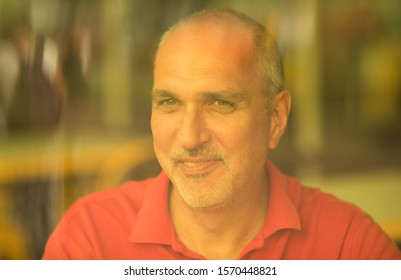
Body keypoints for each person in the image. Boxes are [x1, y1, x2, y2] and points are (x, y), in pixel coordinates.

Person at [42, 8, 401, 260]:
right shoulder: (89, 242)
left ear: (275, 118)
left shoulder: (346, 247)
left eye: (219, 104)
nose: (189, 137)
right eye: (168, 102)